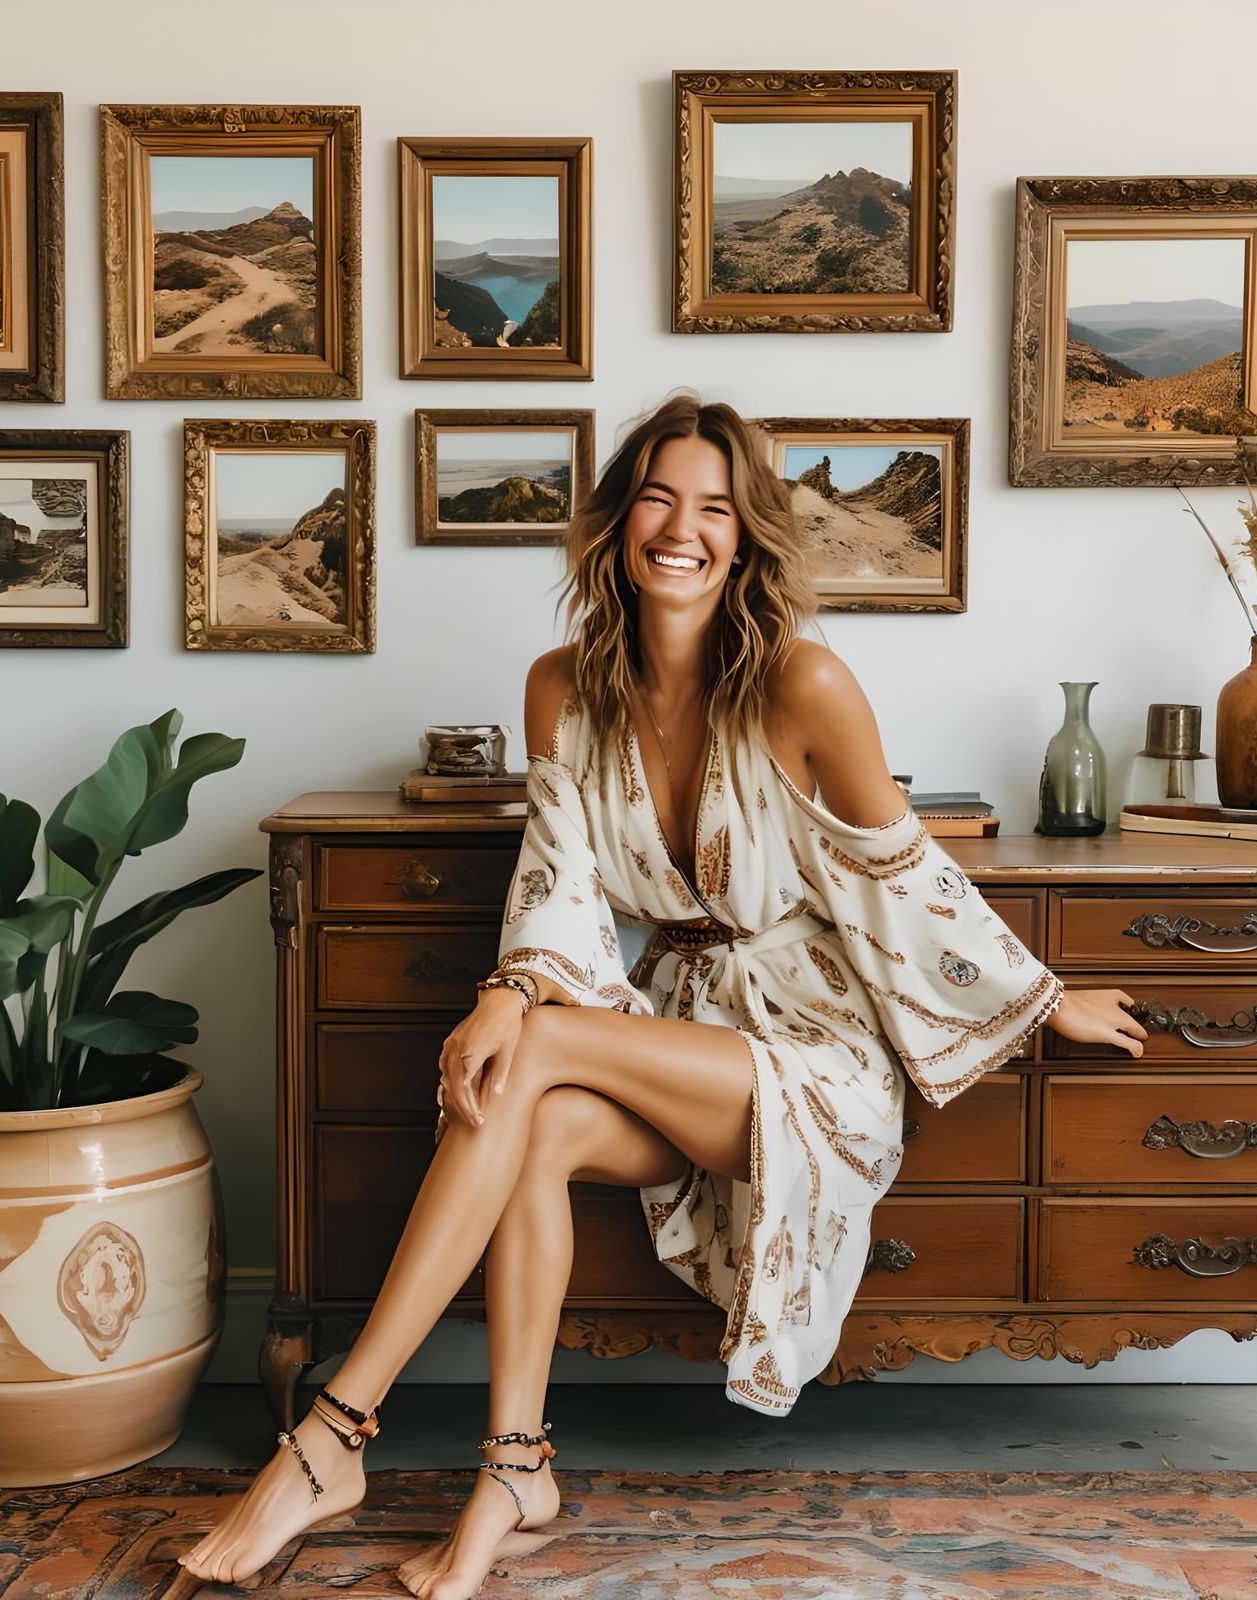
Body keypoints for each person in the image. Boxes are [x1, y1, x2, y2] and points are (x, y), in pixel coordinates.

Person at [178, 396, 1148, 1593]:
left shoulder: (806, 684)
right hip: (677, 1022)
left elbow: (905, 874)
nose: (679, 529)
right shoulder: (560, 687)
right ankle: (516, 1465)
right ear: (616, 521)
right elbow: (558, 878)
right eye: (655, 497)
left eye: (714, 508)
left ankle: (331, 1437)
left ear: (745, 538)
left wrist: (1042, 998)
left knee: (520, 1052)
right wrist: (510, 989)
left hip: (813, 1050)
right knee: (521, 1115)